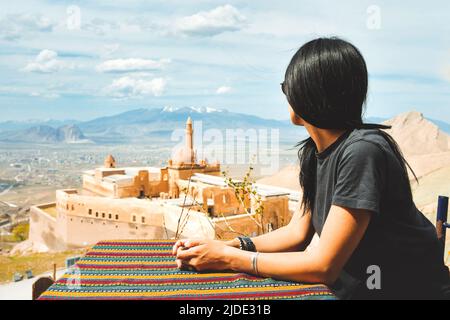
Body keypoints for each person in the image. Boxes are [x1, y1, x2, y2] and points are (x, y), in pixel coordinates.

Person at [172, 37, 450, 299]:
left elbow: (324, 265)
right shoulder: (313, 154)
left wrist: (229, 260)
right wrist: (231, 245)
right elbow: (296, 235)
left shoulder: (363, 151)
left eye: (288, 87)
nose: (286, 95)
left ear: (310, 94)